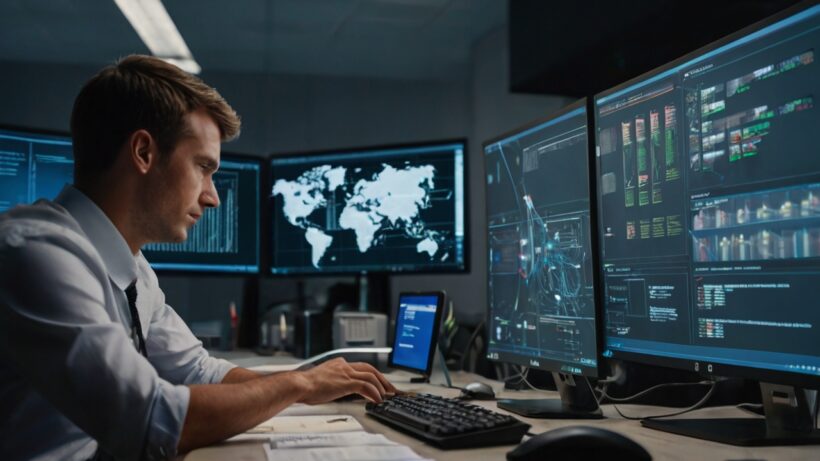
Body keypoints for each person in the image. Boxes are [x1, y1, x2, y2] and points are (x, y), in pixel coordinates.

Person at [0, 55, 397, 461]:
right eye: (203, 167)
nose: (212, 196)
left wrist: (308, 379)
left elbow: (198, 371)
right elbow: (154, 419)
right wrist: (299, 387)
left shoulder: (133, 268)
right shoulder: (35, 253)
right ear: (143, 152)